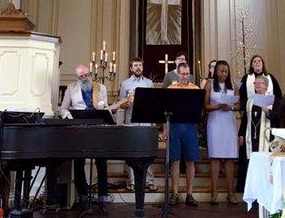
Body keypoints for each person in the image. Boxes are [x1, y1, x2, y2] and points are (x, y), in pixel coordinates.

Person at [59, 64, 116, 211]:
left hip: (98, 130)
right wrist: (69, 116)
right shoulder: (71, 88)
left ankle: (103, 197)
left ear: (90, 74)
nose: (84, 78)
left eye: (86, 75)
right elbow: (63, 108)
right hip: (80, 130)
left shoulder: (100, 87)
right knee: (79, 163)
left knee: (101, 162)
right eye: (81, 77)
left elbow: (105, 108)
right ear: (77, 77)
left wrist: (109, 110)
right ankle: (83, 196)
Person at [236, 55, 282, 192]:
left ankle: (265, 190)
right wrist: (241, 135)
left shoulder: (273, 100)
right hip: (251, 137)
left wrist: (267, 111)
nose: (257, 85)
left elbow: (278, 118)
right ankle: (251, 190)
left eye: (260, 84)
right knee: (249, 163)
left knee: (265, 164)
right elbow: (246, 119)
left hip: (267, 138)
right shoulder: (250, 100)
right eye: (255, 84)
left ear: (266, 86)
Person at [119, 57, 157, 192]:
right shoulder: (125, 84)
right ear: (131, 68)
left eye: (140, 65)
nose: (138, 68)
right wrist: (128, 103)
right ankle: (131, 181)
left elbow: (153, 103)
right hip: (131, 120)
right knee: (132, 150)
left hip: (146, 121)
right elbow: (120, 104)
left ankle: (149, 180)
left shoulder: (149, 83)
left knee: (147, 150)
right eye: (135, 65)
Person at [204, 60, 239, 205]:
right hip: (215, 123)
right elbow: (205, 105)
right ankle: (214, 193)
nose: (223, 74)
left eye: (226, 71)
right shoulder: (209, 84)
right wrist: (218, 105)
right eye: (221, 71)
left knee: (230, 159)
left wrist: (230, 107)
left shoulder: (234, 85)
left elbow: (239, 105)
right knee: (215, 158)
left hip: (229, 123)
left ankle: (230, 194)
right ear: (215, 71)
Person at [166, 63, 200, 207]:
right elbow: (165, 111)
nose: (185, 76)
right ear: (178, 74)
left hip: (190, 126)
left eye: (187, 74)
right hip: (174, 126)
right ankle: (174, 193)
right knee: (175, 160)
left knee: (190, 161)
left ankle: (189, 194)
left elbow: (199, 111)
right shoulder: (170, 89)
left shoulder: (195, 89)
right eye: (183, 74)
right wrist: (165, 130)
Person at [198, 59, 217, 148]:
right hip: (208, 109)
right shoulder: (205, 81)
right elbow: (202, 97)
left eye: (216, 66)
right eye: (212, 66)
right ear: (209, 69)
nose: (214, 68)